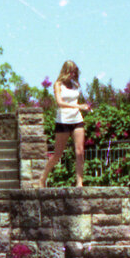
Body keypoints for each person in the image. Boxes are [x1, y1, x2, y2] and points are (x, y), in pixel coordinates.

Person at [38, 60, 93, 188]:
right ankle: (43, 177)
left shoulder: (75, 85)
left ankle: (80, 182)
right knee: (57, 154)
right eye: (71, 72)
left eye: (75, 72)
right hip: (63, 121)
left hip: (77, 120)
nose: (73, 74)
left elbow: (75, 101)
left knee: (80, 152)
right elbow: (60, 103)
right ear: (66, 71)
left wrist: (83, 107)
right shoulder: (58, 84)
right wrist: (78, 105)